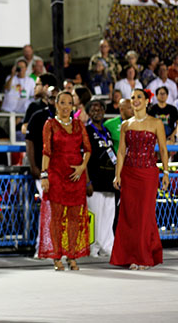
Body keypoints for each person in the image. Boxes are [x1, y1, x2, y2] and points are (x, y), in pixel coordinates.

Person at [110, 88, 171, 269]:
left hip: (148, 174)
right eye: (133, 97)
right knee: (128, 216)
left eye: (139, 97)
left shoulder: (156, 123)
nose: (135, 100)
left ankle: (143, 256)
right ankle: (129, 256)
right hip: (129, 173)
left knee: (145, 215)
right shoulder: (126, 125)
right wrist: (117, 174)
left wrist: (166, 172)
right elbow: (121, 151)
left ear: (146, 101)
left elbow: (163, 149)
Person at [38, 91, 91, 271]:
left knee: (75, 217)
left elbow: (88, 149)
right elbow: (46, 151)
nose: (66, 106)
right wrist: (44, 175)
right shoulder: (50, 124)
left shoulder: (78, 124)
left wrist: (83, 166)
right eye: (62, 102)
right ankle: (57, 256)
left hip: (76, 176)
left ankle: (72, 255)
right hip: (56, 175)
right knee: (57, 217)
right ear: (56, 104)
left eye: (69, 103)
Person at [84, 99, 117, 258]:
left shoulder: (106, 131)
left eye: (100, 109)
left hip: (109, 179)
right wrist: (87, 181)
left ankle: (107, 246)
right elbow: (81, 157)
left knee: (108, 216)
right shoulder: (86, 131)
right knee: (94, 216)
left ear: (104, 112)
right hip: (94, 180)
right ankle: (92, 248)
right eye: (93, 109)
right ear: (89, 113)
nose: (97, 112)